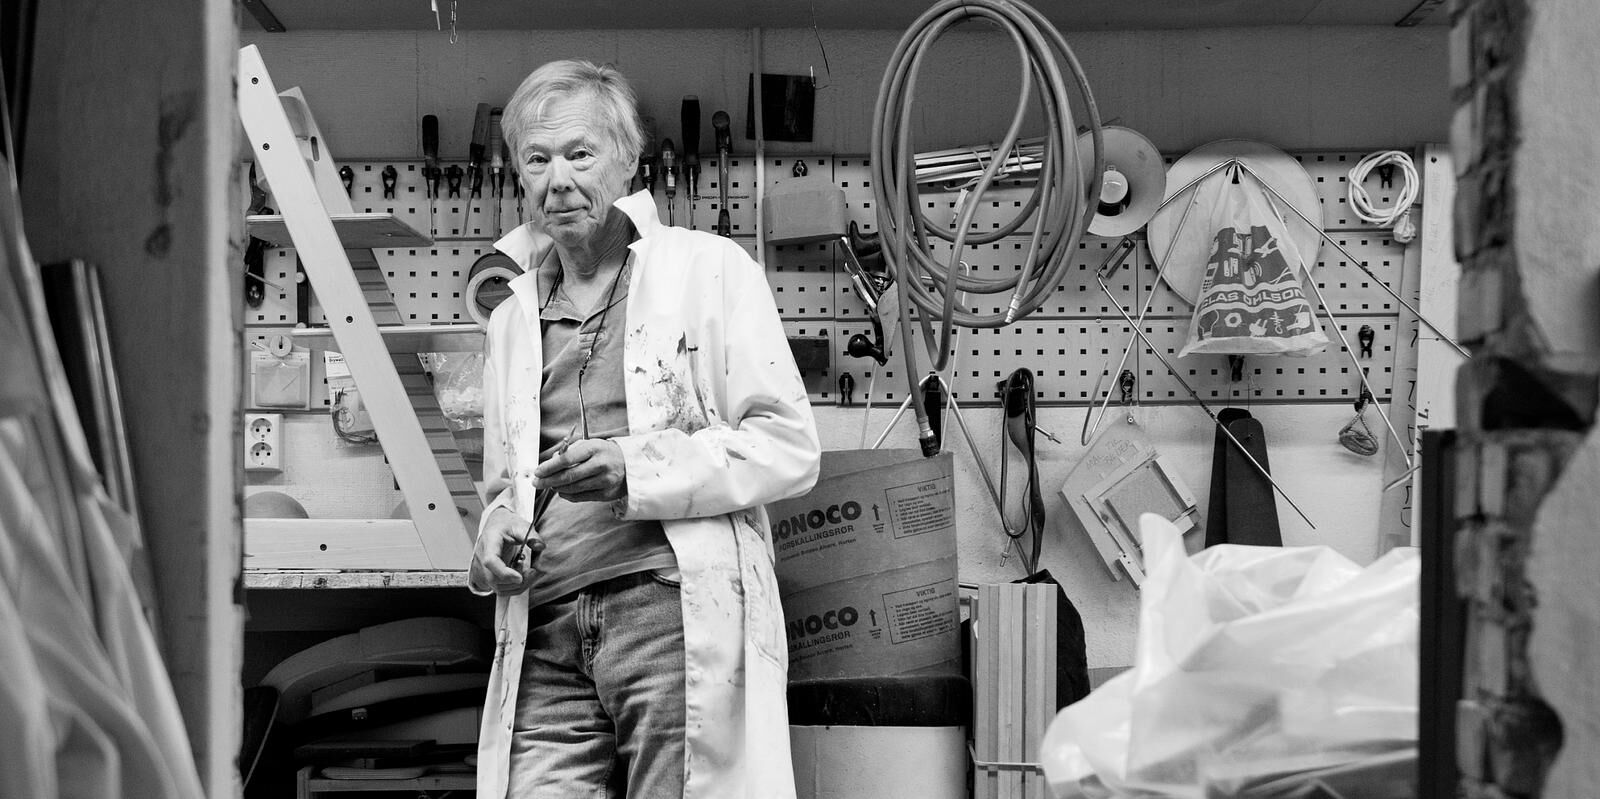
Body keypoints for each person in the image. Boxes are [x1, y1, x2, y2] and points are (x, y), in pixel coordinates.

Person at [466, 59, 821, 799]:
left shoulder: (709, 269)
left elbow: (788, 446)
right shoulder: (511, 318)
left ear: (628, 160)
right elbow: (505, 486)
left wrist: (634, 466)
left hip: (667, 608)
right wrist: (494, 529)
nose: (558, 179)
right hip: (546, 624)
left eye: (580, 153)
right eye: (537, 159)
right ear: (519, 175)